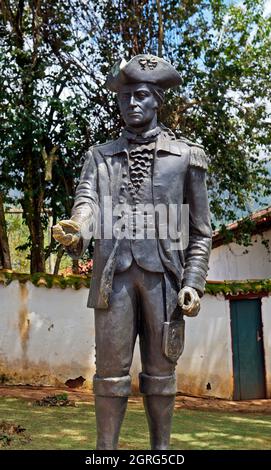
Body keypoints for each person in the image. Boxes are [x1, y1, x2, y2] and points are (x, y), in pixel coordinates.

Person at [53, 54, 212, 450]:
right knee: (109, 375)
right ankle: (105, 451)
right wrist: (77, 231)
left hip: (164, 281)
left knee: (161, 375)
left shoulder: (185, 157)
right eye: (125, 97)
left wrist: (192, 283)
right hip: (114, 278)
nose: (132, 104)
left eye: (141, 95)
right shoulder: (100, 157)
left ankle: (161, 452)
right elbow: (86, 205)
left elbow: (201, 232)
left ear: (158, 99)